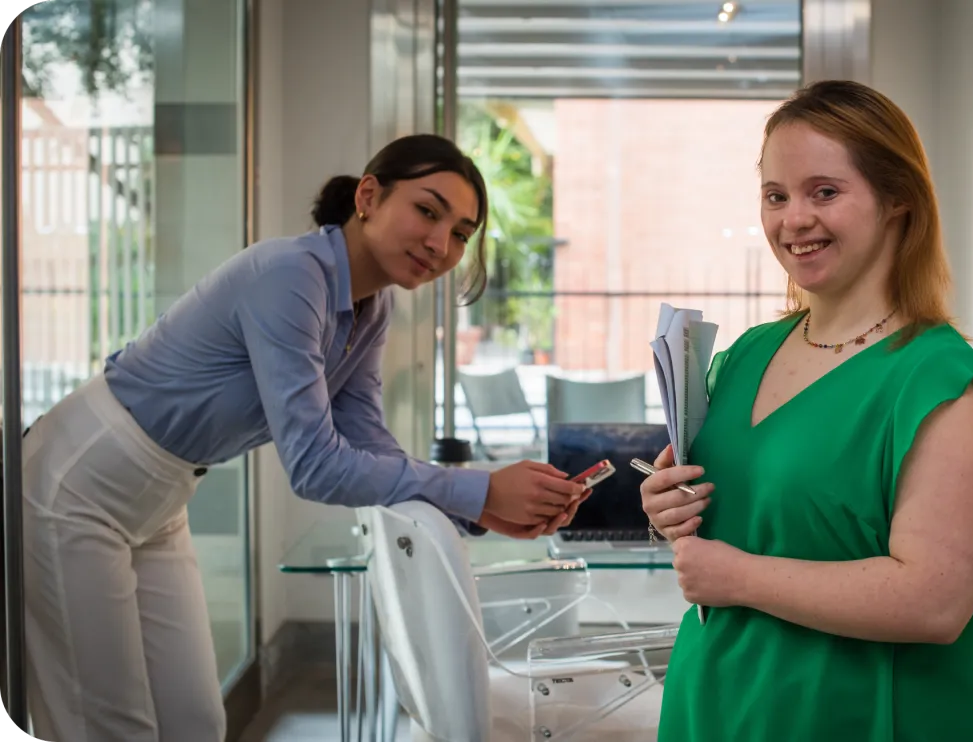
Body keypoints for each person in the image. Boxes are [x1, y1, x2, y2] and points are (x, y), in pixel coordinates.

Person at [20, 133, 588, 742]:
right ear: (368, 196)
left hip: (161, 498)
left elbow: (368, 445)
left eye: (460, 234)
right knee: (107, 727)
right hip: (81, 480)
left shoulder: (370, 307)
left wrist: (481, 506)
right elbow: (316, 465)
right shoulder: (291, 275)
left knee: (195, 722)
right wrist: (479, 490)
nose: (440, 244)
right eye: (428, 211)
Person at [640, 81, 973, 741]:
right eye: (775, 196)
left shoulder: (946, 388)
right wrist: (668, 509)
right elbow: (742, 520)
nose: (793, 220)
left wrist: (739, 577)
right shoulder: (745, 355)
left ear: (898, 198)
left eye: (824, 192)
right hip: (719, 701)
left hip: (858, 719)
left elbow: (934, 603)